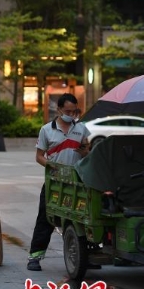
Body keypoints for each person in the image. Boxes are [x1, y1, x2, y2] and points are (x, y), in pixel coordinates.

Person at [27, 93, 91, 271]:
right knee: (45, 218)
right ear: (59, 109)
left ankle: (83, 256)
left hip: (76, 183)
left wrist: (85, 151)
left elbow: (87, 152)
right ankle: (35, 257)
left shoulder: (81, 129)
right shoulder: (47, 130)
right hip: (54, 182)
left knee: (79, 218)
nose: (71, 115)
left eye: (74, 111)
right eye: (68, 111)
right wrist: (51, 166)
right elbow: (39, 156)